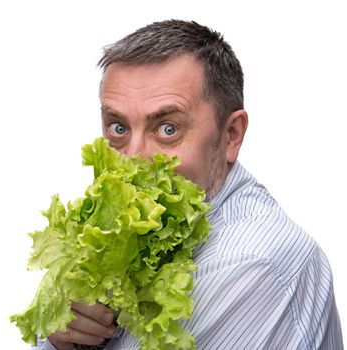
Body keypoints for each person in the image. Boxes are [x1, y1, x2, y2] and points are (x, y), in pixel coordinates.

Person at [36, 20, 343, 349]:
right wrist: (60, 333)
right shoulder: (142, 234)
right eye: (118, 128)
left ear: (231, 136)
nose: (133, 159)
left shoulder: (248, 263)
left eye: (168, 129)